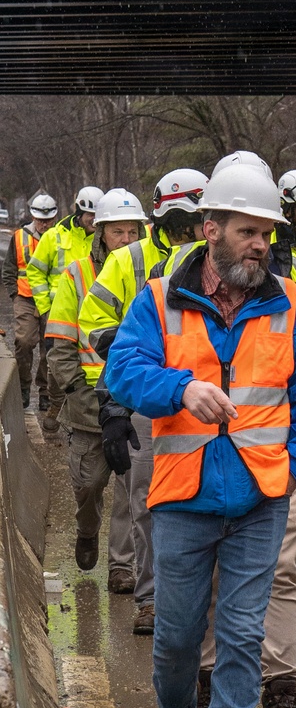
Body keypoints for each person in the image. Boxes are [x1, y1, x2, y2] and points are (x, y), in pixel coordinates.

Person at [103, 163, 296, 708]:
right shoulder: (159, 300)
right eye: (247, 231)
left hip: (262, 499)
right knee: (176, 640)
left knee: (238, 640)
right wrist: (180, 390)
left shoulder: (290, 302)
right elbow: (122, 370)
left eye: (267, 233)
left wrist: (295, 465)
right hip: (181, 499)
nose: (261, 244)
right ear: (211, 231)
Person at [81, 169, 207, 635]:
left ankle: (194, 602)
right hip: (148, 400)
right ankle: (151, 600)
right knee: (147, 500)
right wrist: (132, 355)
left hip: (206, 399)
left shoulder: (220, 256)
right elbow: (93, 317)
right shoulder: (130, 260)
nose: (190, 228)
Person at [46, 189, 144, 587]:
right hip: (89, 403)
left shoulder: (152, 269)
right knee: (89, 486)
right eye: (117, 231)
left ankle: (121, 565)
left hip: (136, 397)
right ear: (100, 232)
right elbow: (61, 343)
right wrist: (76, 390)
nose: (125, 238)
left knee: (132, 488)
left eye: (132, 230)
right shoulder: (77, 274)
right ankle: (87, 532)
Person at [26, 185, 103, 433]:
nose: (93, 220)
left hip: (94, 312)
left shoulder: (104, 239)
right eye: (89, 215)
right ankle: (56, 404)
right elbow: (35, 271)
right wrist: (46, 307)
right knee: (58, 361)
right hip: (60, 312)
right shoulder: (54, 236)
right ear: (78, 212)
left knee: (92, 362)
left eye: (97, 215)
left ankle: (86, 409)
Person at [2, 191, 58, 411]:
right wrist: (14, 294)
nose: (44, 224)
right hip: (25, 298)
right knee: (24, 342)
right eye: (40, 219)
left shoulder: (60, 238)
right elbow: (9, 268)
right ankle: (23, 388)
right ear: (33, 216)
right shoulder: (19, 236)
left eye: (48, 220)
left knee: (50, 348)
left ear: (54, 217)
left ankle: (45, 392)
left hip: (54, 300)